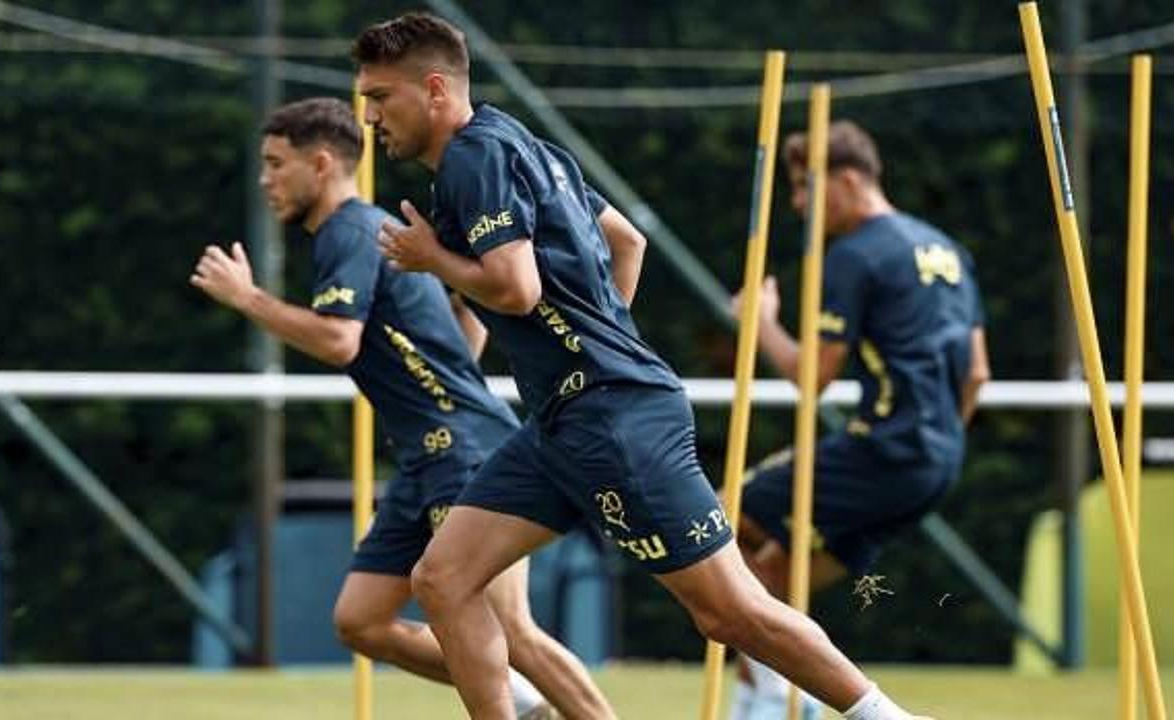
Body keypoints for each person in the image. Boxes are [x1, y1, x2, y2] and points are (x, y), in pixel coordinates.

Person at [353, 13, 934, 720]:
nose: (370, 117)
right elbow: (627, 241)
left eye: (380, 97)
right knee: (443, 578)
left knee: (729, 611)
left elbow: (516, 288)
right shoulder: (523, 144)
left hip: (610, 416)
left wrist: (432, 259)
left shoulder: (473, 161)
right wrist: (597, 344)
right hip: (568, 416)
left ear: (436, 89)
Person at [190, 96, 616, 720]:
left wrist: (249, 299)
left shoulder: (348, 231)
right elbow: (459, 329)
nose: (265, 180)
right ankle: (526, 704)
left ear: (322, 164)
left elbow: (339, 340)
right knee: (361, 619)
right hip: (427, 456)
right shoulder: (368, 232)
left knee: (512, 629)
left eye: (276, 164)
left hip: (465, 450)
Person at [728, 121, 991, 720]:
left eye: (806, 186)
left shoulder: (854, 255)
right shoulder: (947, 250)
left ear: (847, 180)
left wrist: (760, 322)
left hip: (885, 448)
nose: (799, 204)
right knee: (774, 574)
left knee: (717, 522)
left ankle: (781, 699)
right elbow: (977, 373)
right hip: (938, 460)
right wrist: (936, 441)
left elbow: (812, 377)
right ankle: (768, 698)